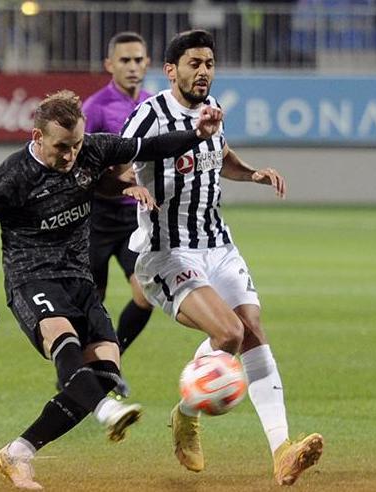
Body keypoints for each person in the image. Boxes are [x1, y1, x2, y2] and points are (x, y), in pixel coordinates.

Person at [0, 90, 222, 490]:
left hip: (79, 279)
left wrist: (197, 134)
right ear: (37, 137)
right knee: (65, 344)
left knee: (106, 374)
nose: (70, 155)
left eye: (76, 144)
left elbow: (150, 147)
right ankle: (105, 412)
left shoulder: (92, 150)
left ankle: (18, 452)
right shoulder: (9, 179)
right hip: (32, 278)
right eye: (61, 147)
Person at [120, 30, 323, 486]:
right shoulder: (149, 116)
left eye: (209, 63)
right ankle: (187, 412)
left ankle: (282, 451)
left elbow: (219, 154)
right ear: (170, 70)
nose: (203, 71)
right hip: (168, 253)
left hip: (218, 243)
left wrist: (251, 174)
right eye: (194, 63)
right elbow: (114, 164)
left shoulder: (212, 109)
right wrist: (130, 186)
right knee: (228, 333)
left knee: (250, 330)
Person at [82, 32, 154, 355]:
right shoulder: (95, 108)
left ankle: (113, 360)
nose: (132, 67)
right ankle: (86, 368)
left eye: (138, 60)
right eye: (125, 60)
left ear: (147, 63)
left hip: (134, 219)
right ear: (109, 64)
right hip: (97, 216)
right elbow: (80, 163)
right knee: (93, 301)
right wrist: (114, 176)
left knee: (146, 294)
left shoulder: (153, 105)